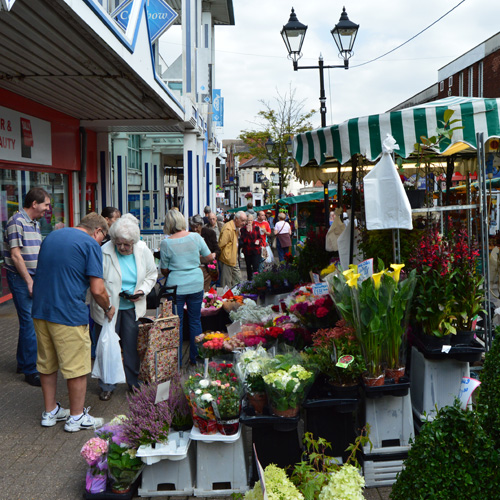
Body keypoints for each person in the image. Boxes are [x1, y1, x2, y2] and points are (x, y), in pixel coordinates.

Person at [32, 213, 115, 431]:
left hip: (41, 310)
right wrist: (108, 307)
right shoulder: (90, 244)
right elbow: (98, 290)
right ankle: (76, 417)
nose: (101, 243)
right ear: (98, 231)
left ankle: (50, 412)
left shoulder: (52, 236)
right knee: (77, 367)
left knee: (47, 364)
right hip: (68, 313)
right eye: (103, 238)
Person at [90, 214, 157, 401]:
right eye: (118, 243)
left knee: (131, 347)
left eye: (126, 244)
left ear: (134, 241)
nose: (121, 247)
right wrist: (106, 304)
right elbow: (96, 281)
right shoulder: (104, 250)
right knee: (106, 347)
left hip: (132, 306)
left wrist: (142, 291)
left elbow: (151, 274)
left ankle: (134, 382)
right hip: (108, 307)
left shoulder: (143, 249)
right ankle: (107, 384)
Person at [3, 187, 51, 386]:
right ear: (34, 204)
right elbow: (15, 255)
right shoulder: (16, 222)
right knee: (29, 323)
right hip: (22, 280)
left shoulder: (34, 223)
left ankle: (23, 363)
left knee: (28, 322)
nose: (48, 209)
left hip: (32, 278)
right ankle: (31, 370)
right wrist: (30, 282)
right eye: (46, 204)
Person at [160, 210, 215, 365]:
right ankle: (195, 357)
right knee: (195, 321)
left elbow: (164, 269)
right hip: (196, 282)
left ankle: (175, 361)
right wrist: (193, 258)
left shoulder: (166, 243)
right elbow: (209, 256)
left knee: (176, 323)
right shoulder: (196, 237)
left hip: (176, 286)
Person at [190, 214, 220, 292]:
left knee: (204, 290)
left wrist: (214, 254)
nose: (195, 229)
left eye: (197, 227)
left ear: (201, 225)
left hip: (206, 268)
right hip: (194, 267)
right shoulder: (189, 234)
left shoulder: (209, 233)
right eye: (193, 227)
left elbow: (217, 249)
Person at [218, 211, 247, 288]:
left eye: (245, 221)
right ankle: (227, 299)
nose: (244, 223)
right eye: (242, 220)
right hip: (227, 259)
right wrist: (226, 257)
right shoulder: (228, 228)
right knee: (227, 284)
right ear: (236, 219)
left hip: (233, 259)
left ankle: (235, 297)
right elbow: (221, 245)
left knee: (238, 280)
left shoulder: (235, 227)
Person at [239, 214, 262, 280]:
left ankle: (256, 280)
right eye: (248, 220)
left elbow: (260, 238)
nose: (249, 222)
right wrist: (248, 232)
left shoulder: (256, 228)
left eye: (251, 220)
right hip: (247, 250)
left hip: (256, 250)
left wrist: (258, 241)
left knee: (255, 267)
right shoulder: (243, 229)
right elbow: (244, 240)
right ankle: (249, 281)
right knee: (248, 267)